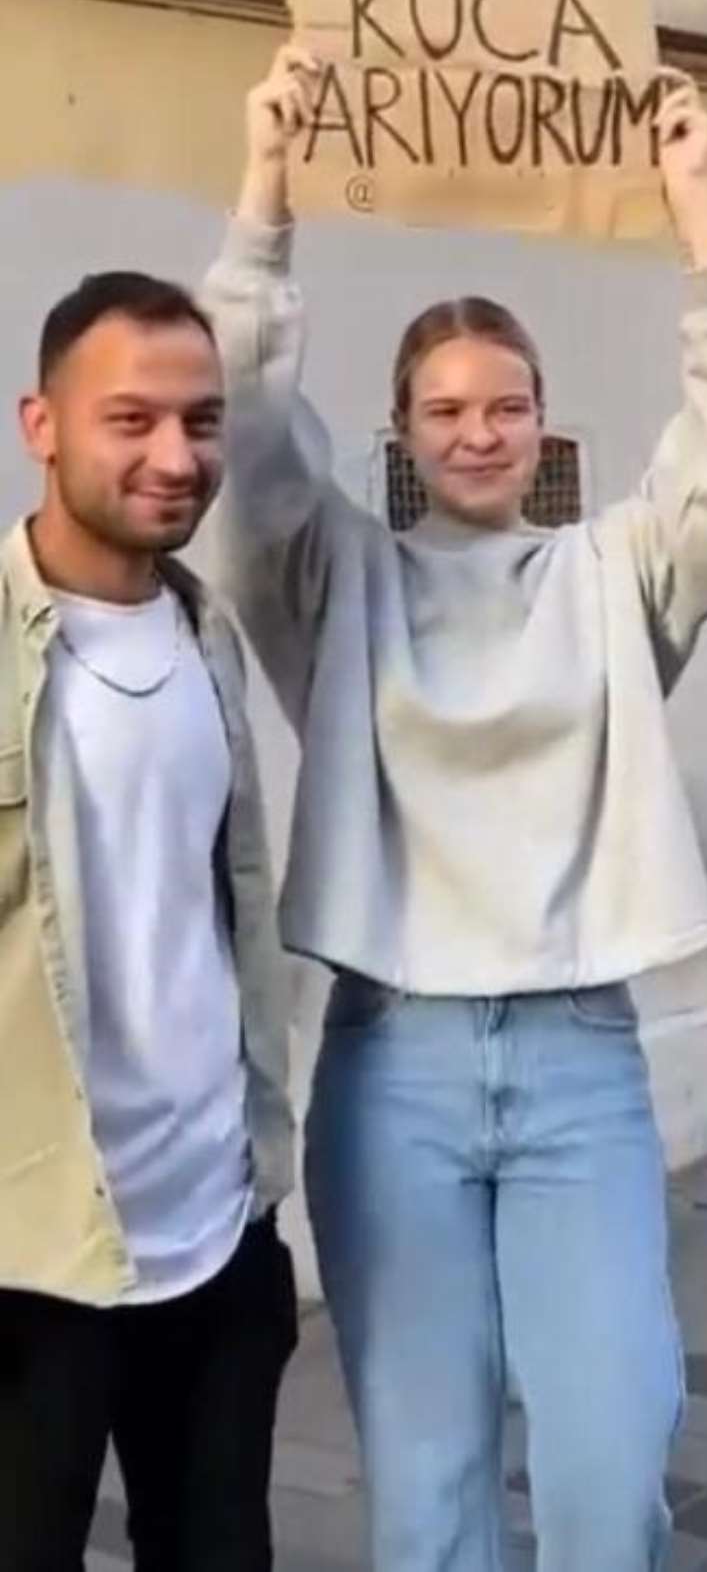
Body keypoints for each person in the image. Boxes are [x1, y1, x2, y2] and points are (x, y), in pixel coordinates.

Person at [201, 44, 707, 1572]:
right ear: (402, 428)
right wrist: (268, 183)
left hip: (579, 1060)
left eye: (506, 404)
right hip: (390, 1061)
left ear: (542, 422)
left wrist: (696, 208)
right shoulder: (338, 582)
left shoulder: (614, 577)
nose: (479, 430)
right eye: (448, 407)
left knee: (611, 1460)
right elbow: (248, 438)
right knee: (429, 1489)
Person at [0, 271, 296, 1572]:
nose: (176, 457)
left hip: (217, 1235)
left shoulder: (205, 633)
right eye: (131, 419)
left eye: (201, 420)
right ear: (42, 425)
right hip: (29, 1254)